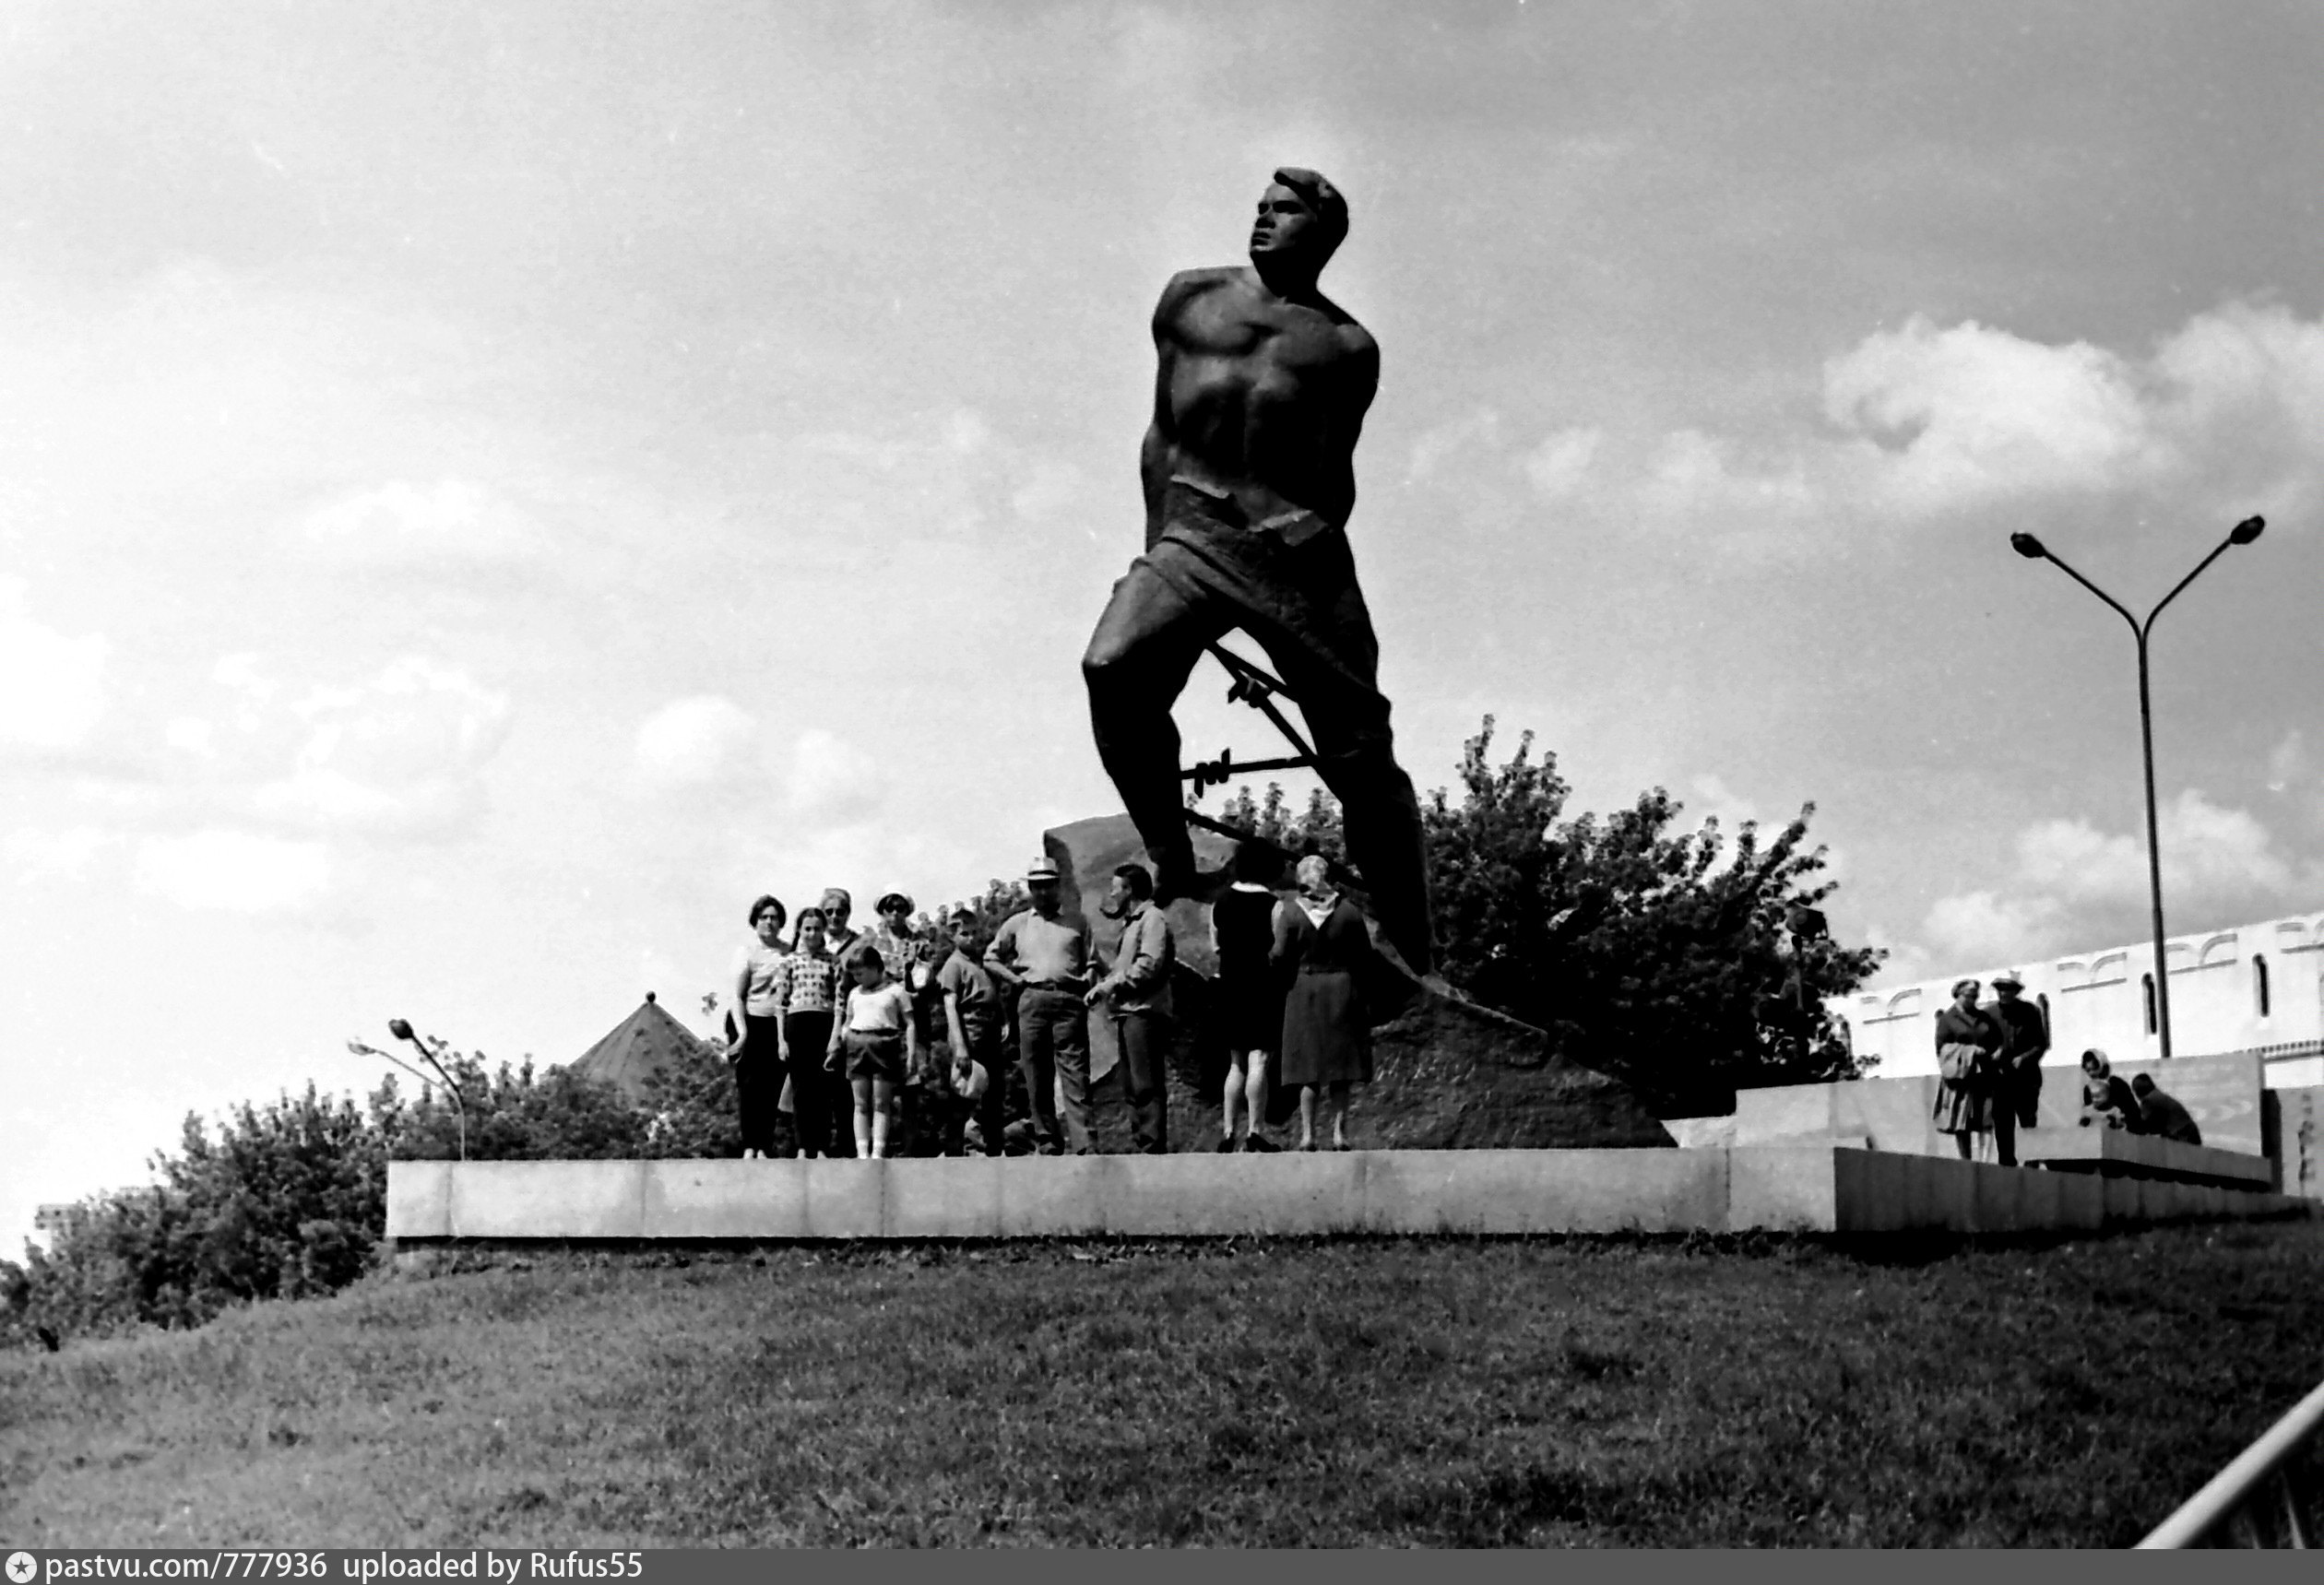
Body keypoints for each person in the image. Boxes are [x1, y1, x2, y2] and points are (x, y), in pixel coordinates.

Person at [1080, 168, 1435, 976]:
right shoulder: (1189, 297)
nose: (1264, 219)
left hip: (1295, 554)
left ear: (1325, 234)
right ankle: (1169, 852)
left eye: (1285, 212)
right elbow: (1160, 434)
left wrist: (1306, 546)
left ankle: (1417, 946)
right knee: (1113, 666)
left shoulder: (1346, 346)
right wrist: (1154, 549)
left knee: (1362, 759)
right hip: (1193, 532)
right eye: (1261, 207)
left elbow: (1334, 468)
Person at [984, 856, 1097, 1154]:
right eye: (1037, 886)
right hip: (1032, 998)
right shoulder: (1018, 923)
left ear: (1058, 886)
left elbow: (1093, 960)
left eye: (1048, 885)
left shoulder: (1077, 921)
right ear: (1030, 889)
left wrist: (1086, 981)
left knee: (1075, 1073)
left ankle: (1086, 1145)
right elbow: (990, 958)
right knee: (1037, 1075)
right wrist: (1015, 980)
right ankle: (1048, 1142)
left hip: (1069, 1000)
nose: (1043, 892)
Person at [1272, 854, 1378, 1151]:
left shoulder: (1291, 913)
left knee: (1308, 1070)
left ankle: (1307, 1135)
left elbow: (1279, 954)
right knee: (1341, 1069)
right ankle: (1339, 1134)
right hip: (1343, 988)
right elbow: (1364, 956)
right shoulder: (1349, 913)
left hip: (1304, 989)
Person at [1087, 862, 1175, 1154]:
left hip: (1144, 1011)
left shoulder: (1153, 919)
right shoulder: (1133, 923)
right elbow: (1124, 969)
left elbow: (1148, 965)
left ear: (1129, 889)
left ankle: (1152, 1145)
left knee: (1146, 1082)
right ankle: (1142, 1143)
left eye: (1116, 887)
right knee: (1132, 1085)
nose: (1112, 893)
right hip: (1128, 1011)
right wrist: (1103, 974)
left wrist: (1110, 986)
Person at [1211, 839, 1285, 1152]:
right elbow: (1278, 952)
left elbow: (1214, 946)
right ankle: (1255, 1131)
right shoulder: (1275, 905)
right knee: (1259, 1060)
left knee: (1235, 1063)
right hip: (1261, 986)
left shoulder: (1220, 902)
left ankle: (1228, 1132)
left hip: (1229, 985)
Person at [830, 942, 917, 1160]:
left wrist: (912, 1053)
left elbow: (910, 1023)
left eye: (861, 972)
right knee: (860, 1102)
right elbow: (848, 1021)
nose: (858, 977)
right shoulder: (854, 994)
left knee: (881, 1101)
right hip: (857, 1045)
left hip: (884, 1043)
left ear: (876, 967)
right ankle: (862, 1152)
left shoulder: (895, 991)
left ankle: (878, 1150)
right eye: (855, 974)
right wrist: (842, 1040)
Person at [937, 907, 1008, 1157]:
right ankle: (954, 1153)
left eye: (974, 933)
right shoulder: (953, 965)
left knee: (994, 1094)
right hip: (969, 1032)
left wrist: (1004, 1020)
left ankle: (994, 1150)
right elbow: (950, 1006)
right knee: (962, 1097)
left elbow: (993, 996)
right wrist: (960, 1047)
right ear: (953, 936)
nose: (970, 938)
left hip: (989, 1031)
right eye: (964, 934)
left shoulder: (980, 963)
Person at [776, 904, 845, 1157]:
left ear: (824, 931)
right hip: (797, 1024)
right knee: (801, 1089)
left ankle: (822, 1146)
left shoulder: (833, 961)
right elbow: (780, 1004)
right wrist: (781, 1040)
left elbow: (840, 1002)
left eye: (817, 929)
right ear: (799, 930)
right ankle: (804, 1145)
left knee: (823, 1088)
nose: (812, 934)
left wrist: (835, 1035)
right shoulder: (789, 962)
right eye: (807, 929)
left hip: (824, 1023)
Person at [727, 894, 788, 1160]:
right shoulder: (747, 952)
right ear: (755, 921)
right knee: (750, 1087)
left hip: (777, 1024)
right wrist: (742, 1033)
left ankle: (765, 1145)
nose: (769, 923)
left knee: (772, 1088)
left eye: (774, 918)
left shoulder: (789, 952)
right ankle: (750, 1145)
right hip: (750, 1020)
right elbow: (736, 996)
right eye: (764, 917)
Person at [1931, 977, 2009, 1164]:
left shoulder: (1983, 1017)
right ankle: (1966, 1160)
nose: (1973, 999)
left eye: (1975, 996)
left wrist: (1998, 1051)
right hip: (1961, 1077)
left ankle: (1985, 1161)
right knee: (1962, 1121)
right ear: (1958, 994)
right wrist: (1969, 1052)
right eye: (1969, 995)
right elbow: (1942, 1049)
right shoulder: (1947, 1019)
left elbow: (1998, 1039)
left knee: (1986, 1119)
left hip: (1985, 1074)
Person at [1983, 971, 2048, 1141]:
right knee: (2003, 1124)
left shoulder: (2030, 1011)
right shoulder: (1989, 1014)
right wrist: (1993, 1054)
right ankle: (2006, 1165)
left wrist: (2024, 1058)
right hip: (2000, 1079)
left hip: (2026, 1078)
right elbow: (1982, 1045)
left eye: (2008, 989)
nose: (2004, 993)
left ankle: (2030, 1162)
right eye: (2000, 989)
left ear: (2016, 991)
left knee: (2028, 1122)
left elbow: (2041, 1044)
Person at [2079, 1049, 2144, 1132]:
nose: (2091, 1073)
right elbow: (2087, 1116)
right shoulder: (2088, 1089)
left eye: (2094, 1068)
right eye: (2088, 1070)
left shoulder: (2117, 1084)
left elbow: (2132, 1112)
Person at [2129, 1073, 2201, 1145]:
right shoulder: (2158, 1096)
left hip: (2181, 1136)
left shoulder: (2149, 1100)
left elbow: (2146, 1125)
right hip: (2189, 1134)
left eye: (2136, 1089)